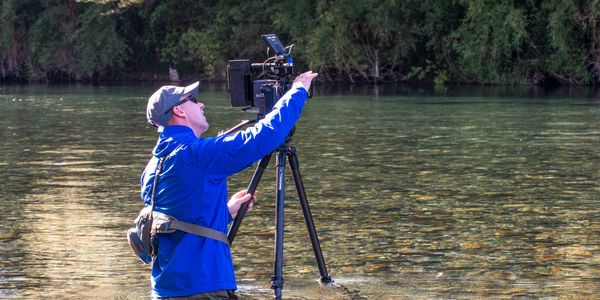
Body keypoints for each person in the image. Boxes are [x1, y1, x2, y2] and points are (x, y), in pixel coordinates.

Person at [141, 71, 318, 299]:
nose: (201, 104)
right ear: (179, 110)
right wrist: (297, 91)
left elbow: (173, 218)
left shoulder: (154, 165)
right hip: (202, 288)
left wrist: (225, 212)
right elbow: (264, 135)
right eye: (193, 100)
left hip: (165, 289)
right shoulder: (196, 154)